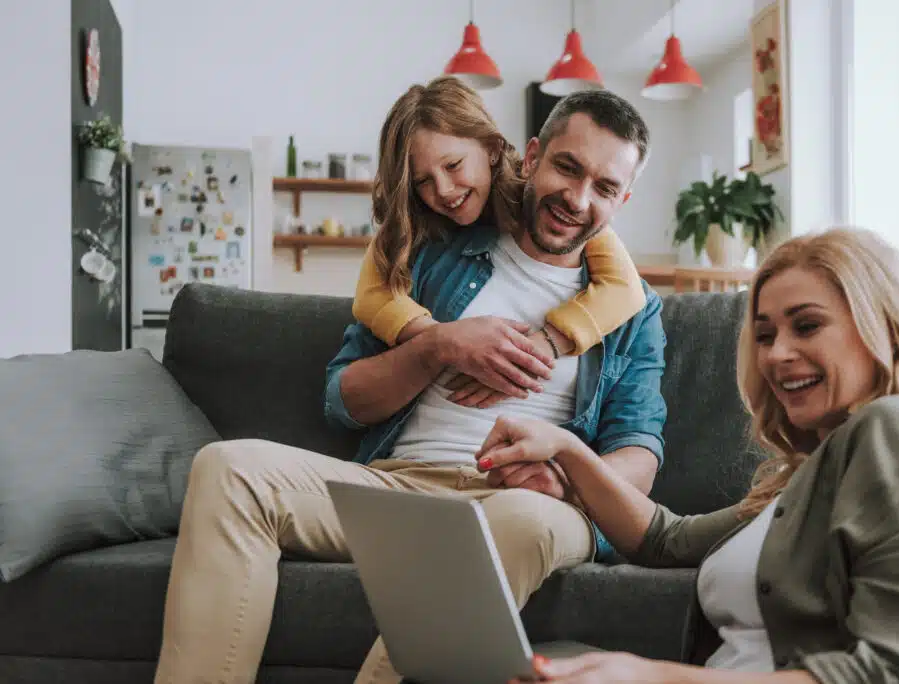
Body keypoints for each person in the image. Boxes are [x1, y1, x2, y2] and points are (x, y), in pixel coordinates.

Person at [152, 86, 668, 684]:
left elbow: (638, 454)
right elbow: (343, 400)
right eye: (567, 168)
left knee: (520, 522)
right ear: (530, 158)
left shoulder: (634, 311)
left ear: (622, 199)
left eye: (604, 188)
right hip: (399, 486)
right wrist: (437, 346)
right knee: (227, 468)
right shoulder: (433, 248)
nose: (577, 199)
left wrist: (566, 474)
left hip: (529, 504)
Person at [474, 227, 899, 684]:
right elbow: (663, 539)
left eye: (808, 325)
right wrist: (566, 449)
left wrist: (652, 675)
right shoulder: (809, 479)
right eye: (766, 334)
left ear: (881, 324)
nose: (776, 355)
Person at [351, 76, 648, 408]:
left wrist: (539, 347)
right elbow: (372, 298)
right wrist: (446, 342)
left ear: (492, 149)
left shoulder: (552, 205)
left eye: (454, 165)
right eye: (422, 180)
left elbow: (627, 290)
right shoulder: (416, 226)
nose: (445, 190)